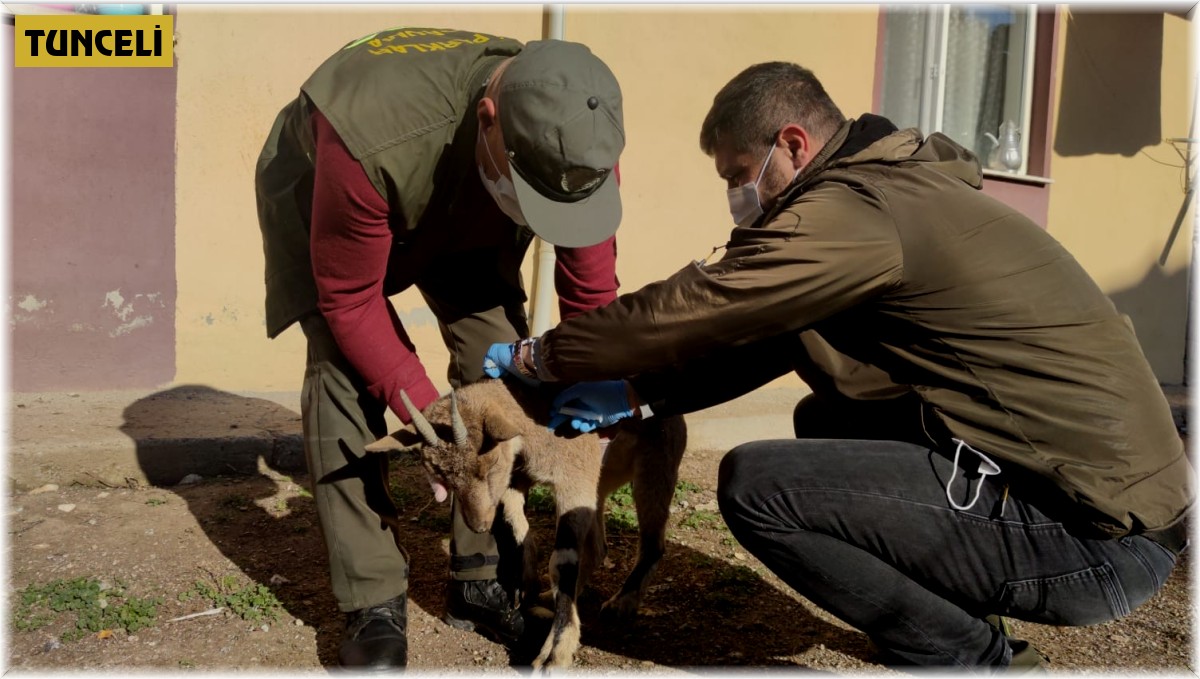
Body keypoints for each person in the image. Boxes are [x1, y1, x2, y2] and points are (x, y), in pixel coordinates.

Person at [484, 61, 1192, 670]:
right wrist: (640, 390)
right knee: (827, 415)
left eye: (739, 174)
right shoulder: (883, 188)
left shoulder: (853, 211)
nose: (737, 195)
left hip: (1096, 538)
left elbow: (704, 301)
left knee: (756, 485)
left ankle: (973, 658)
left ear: (793, 143)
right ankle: (963, 619)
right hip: (1107, 506)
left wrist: (543, 353)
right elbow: (768, 336)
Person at [254, 27, 625, 669]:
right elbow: (350, 300)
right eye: (533, 189)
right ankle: (371, 597)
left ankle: (479, 576)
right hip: (338, 186)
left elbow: (590, 290)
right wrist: (434, 424)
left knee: (503, 362)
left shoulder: (579, 132)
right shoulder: (369, 131)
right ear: (490, 120)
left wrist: (596, 379)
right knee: (345, 367)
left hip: (471, 200)